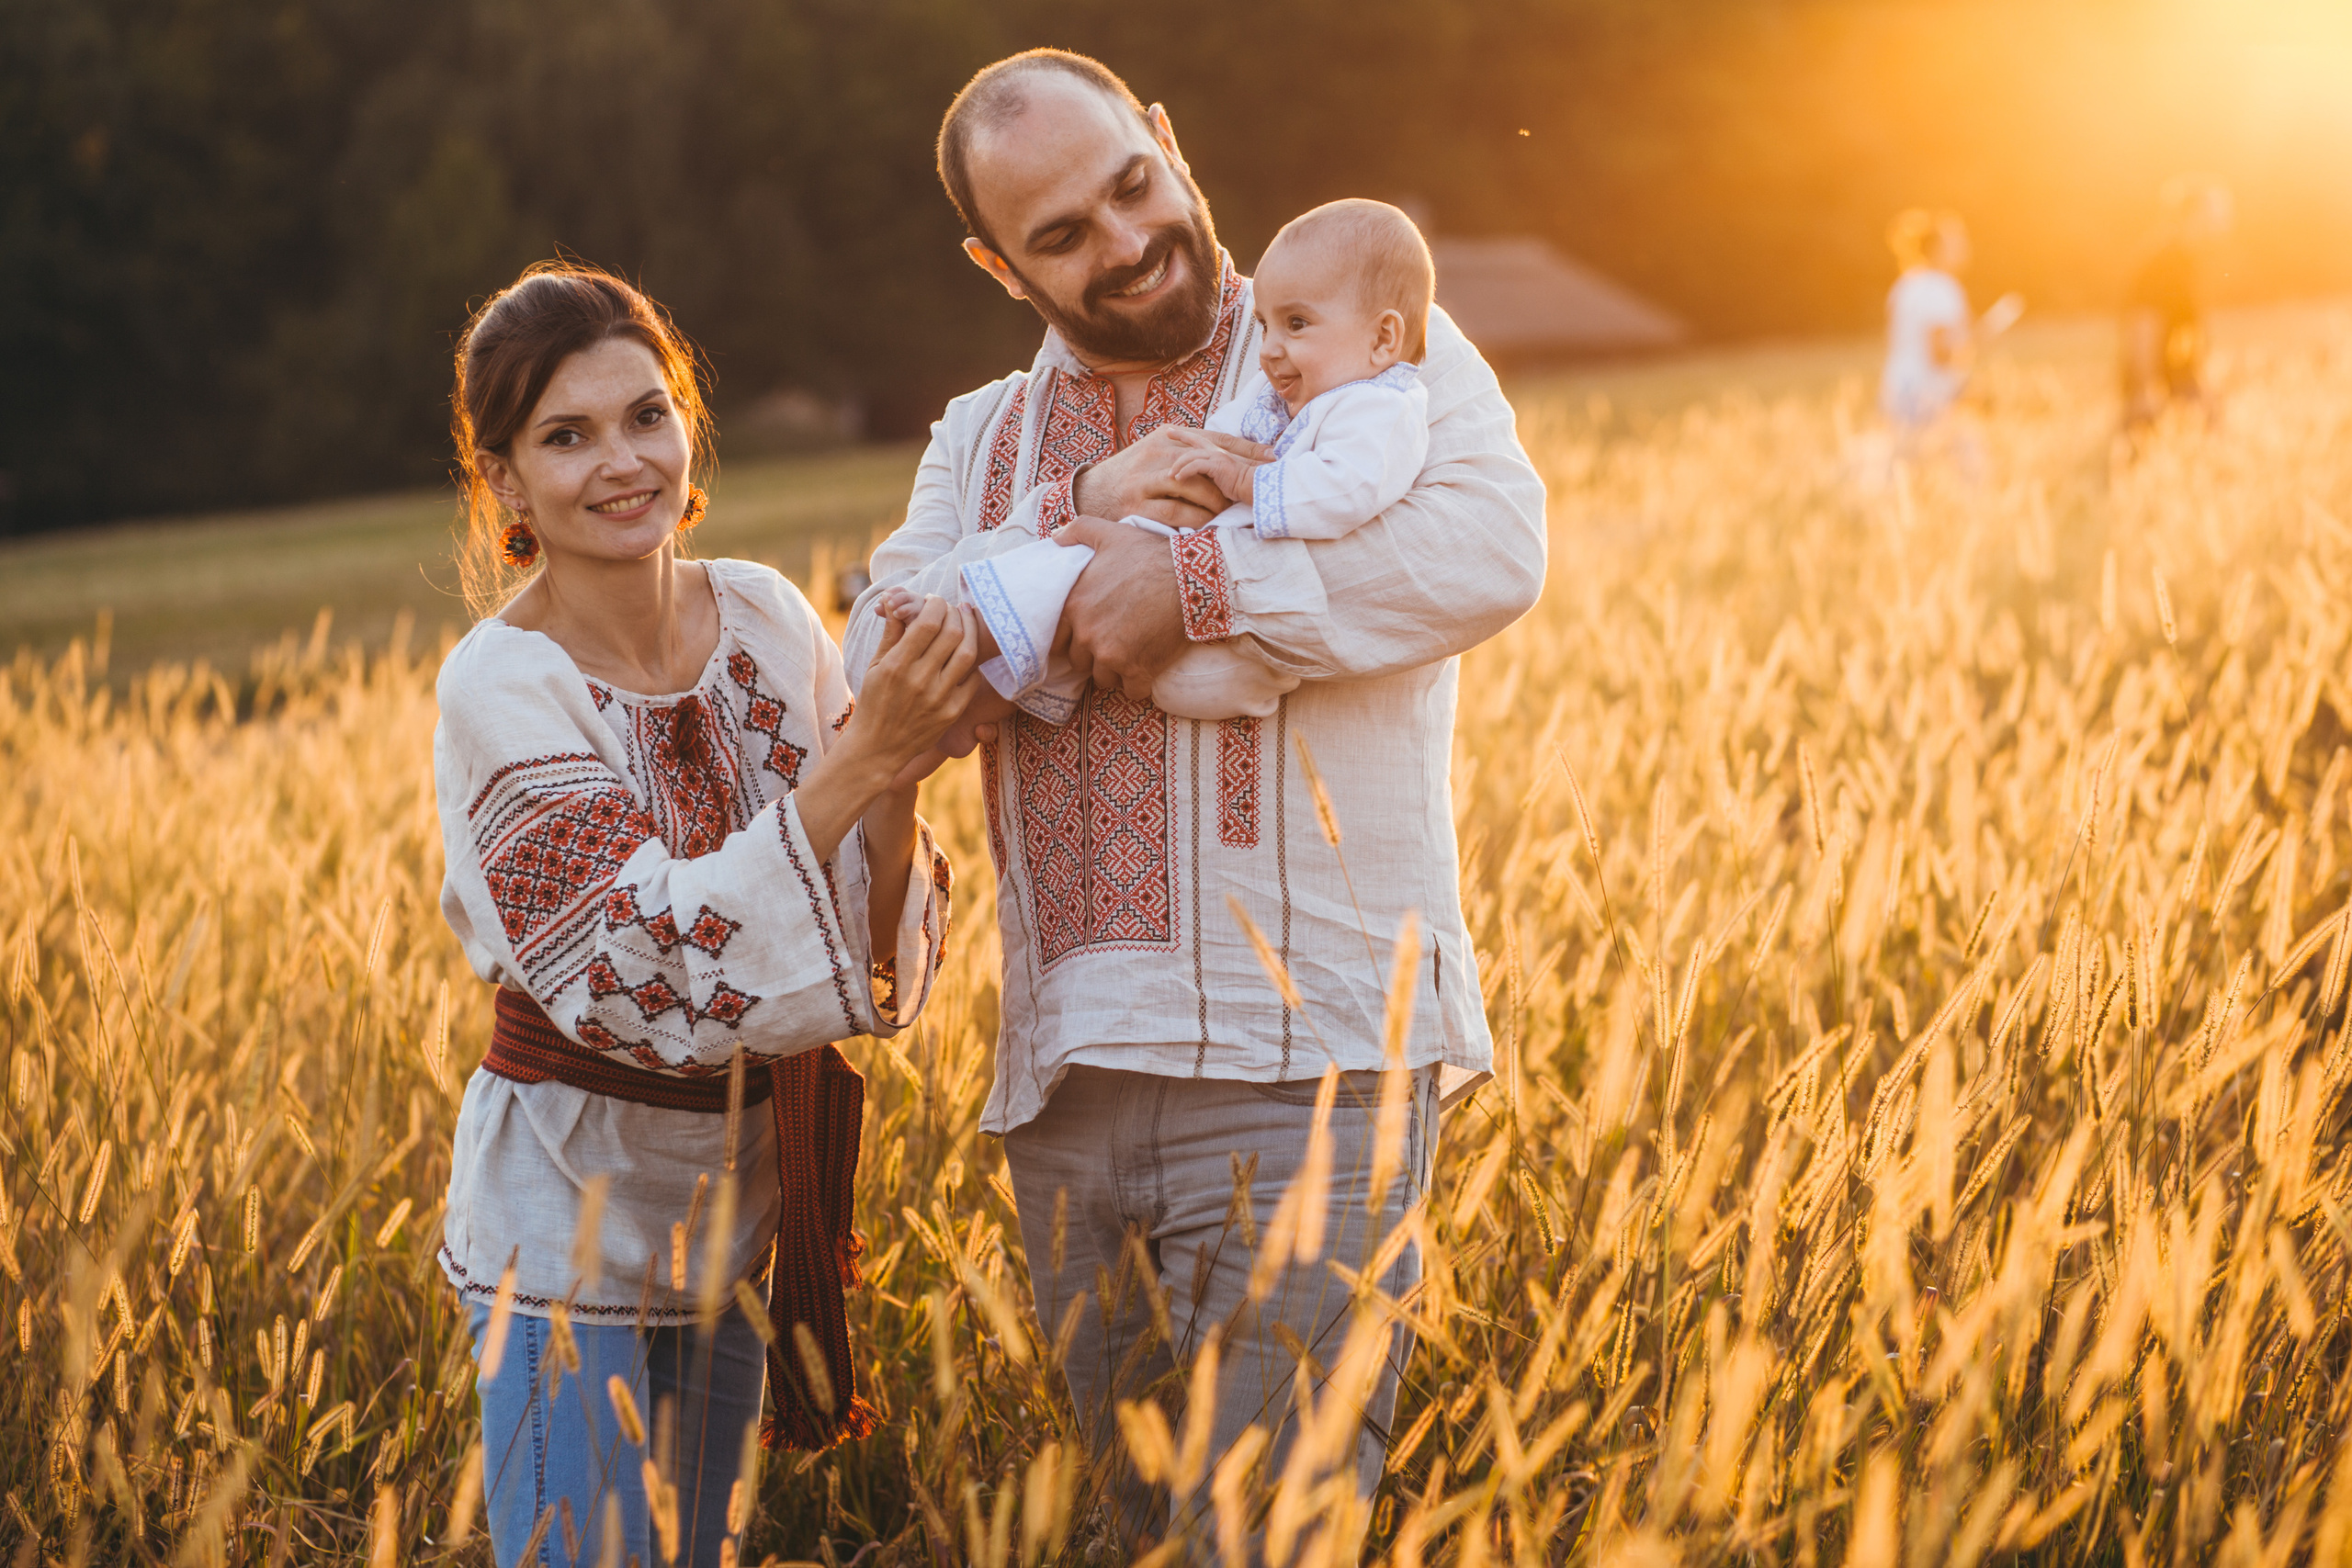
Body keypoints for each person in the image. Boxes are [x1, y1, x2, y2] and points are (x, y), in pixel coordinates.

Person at [842, 48, 1546, 1562]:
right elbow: (880, 661)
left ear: (1165, 137)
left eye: (1132, 183)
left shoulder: (1365, 340)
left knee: (1266, 1545)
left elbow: (1490, 548)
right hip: (1066, 1099)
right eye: (1066, 235)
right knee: (1147, 1538)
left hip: (1314, 1067)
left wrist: (1197, 580)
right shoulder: (980, 444)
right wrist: (1071, 521)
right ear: (994, 263)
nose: (1128, 239)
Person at [432, 263, 977, 1568]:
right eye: (566, 436)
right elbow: (639, 972)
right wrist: (860, 762)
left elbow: (864, 928)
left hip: (739, 1212)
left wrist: (899, 764)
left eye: (646, 414)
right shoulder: (500, 682)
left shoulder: (768, 615)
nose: (622, 461)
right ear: (505, 480)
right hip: (567, 1224)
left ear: (687, 425)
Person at [912, 197, 1436, 728]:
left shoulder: (1382, 407)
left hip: (1228, 661)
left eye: (1296, 325)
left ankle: (966, 629)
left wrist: (1242, 483)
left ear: (1383, 338)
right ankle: (987, 689)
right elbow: (1224, 436)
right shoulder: (1303, 392)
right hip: (1202, 655)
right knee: (1078, 588)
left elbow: (1348, 489)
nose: (1270, 350)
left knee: (1066, 562)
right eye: (1264, 326)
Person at [2121, 176, 2233, 440]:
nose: (2222, 225)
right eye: (2215, 216)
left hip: (2180, 377)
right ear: (2194, 216)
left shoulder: (2189, 262)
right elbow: (2144, 325)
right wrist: (2144, 388)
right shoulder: (2163, 263)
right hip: (2160, 383)